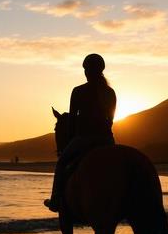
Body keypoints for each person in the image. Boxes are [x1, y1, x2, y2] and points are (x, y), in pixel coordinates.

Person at [44, 54, 116, 212]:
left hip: (85, 138)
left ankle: (55, 199)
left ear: (87, 71)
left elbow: (71, 120)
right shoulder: (110, 92)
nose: (85, 72)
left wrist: (71, 137)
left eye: (86, 69)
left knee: (62, 162)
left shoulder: (78, 91)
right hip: (107, 140)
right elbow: (110, 120)